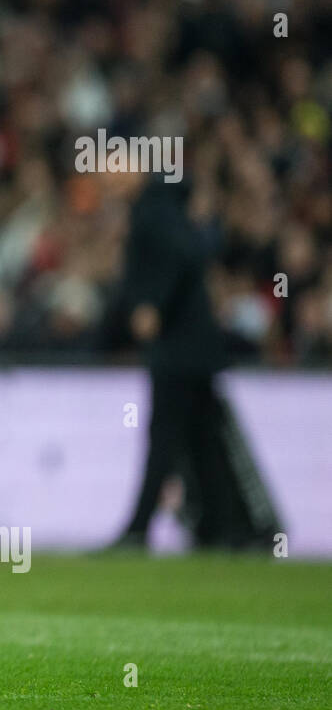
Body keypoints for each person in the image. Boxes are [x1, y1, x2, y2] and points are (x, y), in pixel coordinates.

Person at [106, 166, 281, 550]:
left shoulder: (153, 209)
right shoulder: (165, 206)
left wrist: (151, 300)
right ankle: (230, 528)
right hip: (196, 347)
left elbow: (179, 253)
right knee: (205, 440)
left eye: (115, 163)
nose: (107, 174)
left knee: (165, 438)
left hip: (178, 350)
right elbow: (193, 248)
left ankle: (139, 529)